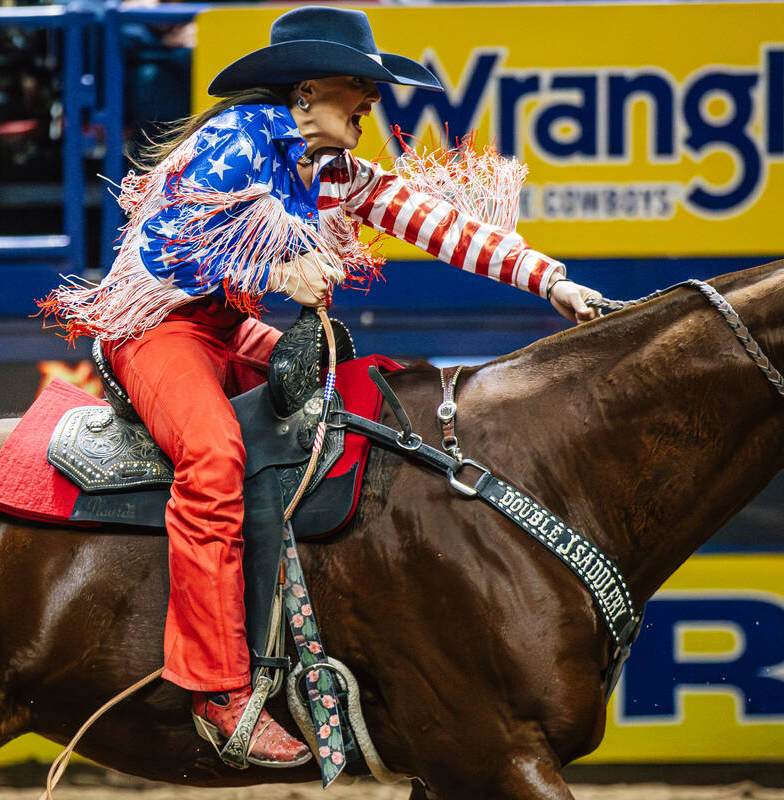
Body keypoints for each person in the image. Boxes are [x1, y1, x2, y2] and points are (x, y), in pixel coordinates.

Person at [40, 6, 600, 768]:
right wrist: (274, 272)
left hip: (225, 330)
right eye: (358, 90)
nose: (370, 105)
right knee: (212, 458)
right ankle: (218, 692)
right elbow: (167, 247)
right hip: (156, 329)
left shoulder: (330, 171)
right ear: (306, 94)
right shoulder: (231, 140)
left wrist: (553, 283)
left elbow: (439, 224)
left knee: (356, 405)